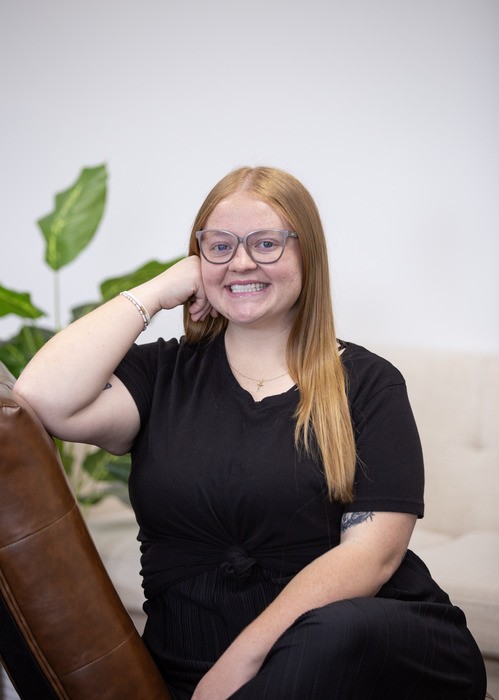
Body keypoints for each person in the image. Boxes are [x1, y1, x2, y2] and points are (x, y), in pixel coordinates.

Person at [14, 166, 487, 699]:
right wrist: (159, 290)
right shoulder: (162, 376)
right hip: (192, 659)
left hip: (360, 649)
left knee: (335, 631)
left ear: (306, 254)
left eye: (266, 243)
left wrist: (242, 661)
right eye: (220, 246)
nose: (241, 261)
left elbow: (372, 556)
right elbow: (41, 398)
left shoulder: (369, 384)